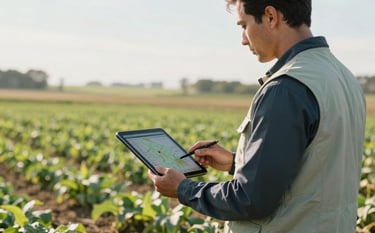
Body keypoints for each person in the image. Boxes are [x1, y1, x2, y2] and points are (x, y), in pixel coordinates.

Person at [148, 0, 366, 232]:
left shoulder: (286, 88)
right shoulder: (343, 77)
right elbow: (317, 169)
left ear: (271, 16)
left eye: (244, 25)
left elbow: (251, 199)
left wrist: (183, 189)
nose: (243, 39)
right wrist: (236, 163)